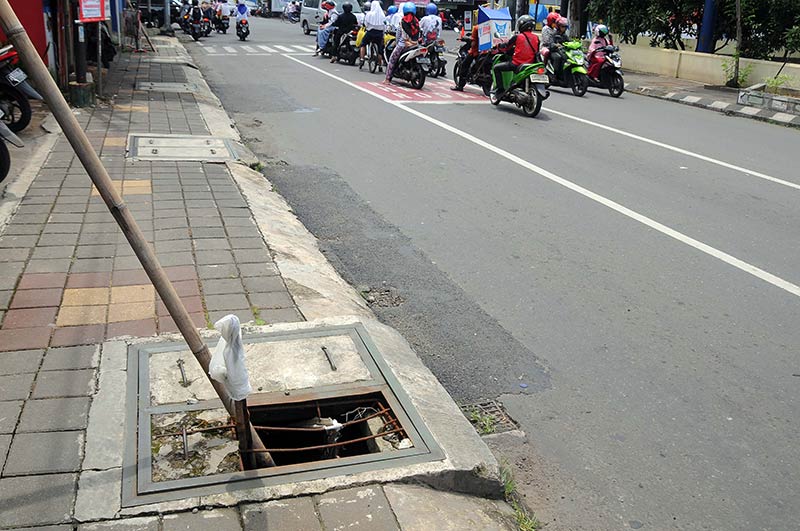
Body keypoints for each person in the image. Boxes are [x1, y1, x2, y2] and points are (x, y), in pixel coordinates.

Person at [492, 14, 539, 99]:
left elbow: (507, 47)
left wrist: (499, 46)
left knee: (496, 68)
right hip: (531, 65)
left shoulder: (517, 37)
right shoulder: (536, 38)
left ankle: (500, 89)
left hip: (517, 64)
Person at [384, 2, 419, 85]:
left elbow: (398, 36)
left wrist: (397, 43)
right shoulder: (417, 21)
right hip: (415, 45)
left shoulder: (403, 21)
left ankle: (387, 79)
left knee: (392, 60)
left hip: (403, 45)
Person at [451, 21, 479, 90]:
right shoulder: (490, 27)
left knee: (464, 65)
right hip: (487, 51)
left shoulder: (477, 28)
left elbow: (473, 43)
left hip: (475, 52)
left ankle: (460, 86)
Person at [360, 0, 386, 69]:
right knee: (380, 50)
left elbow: (365, 24)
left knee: (363, 44)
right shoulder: (383, 15)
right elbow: (385, 25)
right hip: (379, 34)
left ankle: (362, 59)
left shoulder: (369, 14)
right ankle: (380, 65)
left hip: (370, 33)